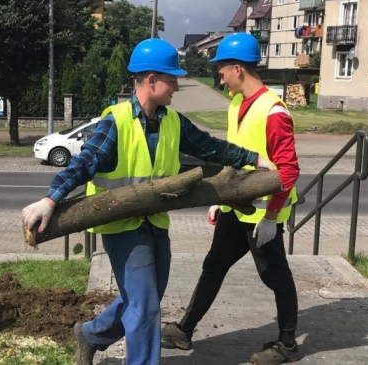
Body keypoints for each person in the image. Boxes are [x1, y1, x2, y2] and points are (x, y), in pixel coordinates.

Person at [20, 38, 274, 365]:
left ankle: (90, 335)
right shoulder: (116, 121)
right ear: (151, 81)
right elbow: (84, 164)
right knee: (146, 308)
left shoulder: (172, 121)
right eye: (172, 79)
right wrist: (50, 200)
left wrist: (252, 158)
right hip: (121, 227)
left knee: (143, 299)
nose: (177, 87)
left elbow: (211, 148)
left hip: (155, 224)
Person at [161, 32, 301, 365]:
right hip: (234, 206)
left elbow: (289, 170)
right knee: (213, 266)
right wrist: (218, 196)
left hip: (262, 214)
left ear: (238, 68)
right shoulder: (237, 104)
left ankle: (288, 345)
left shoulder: (274, 112)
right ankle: (184, 329)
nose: (219, 76)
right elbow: (235, 156)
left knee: (275, 276)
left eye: (221, 69)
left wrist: (270, 218)